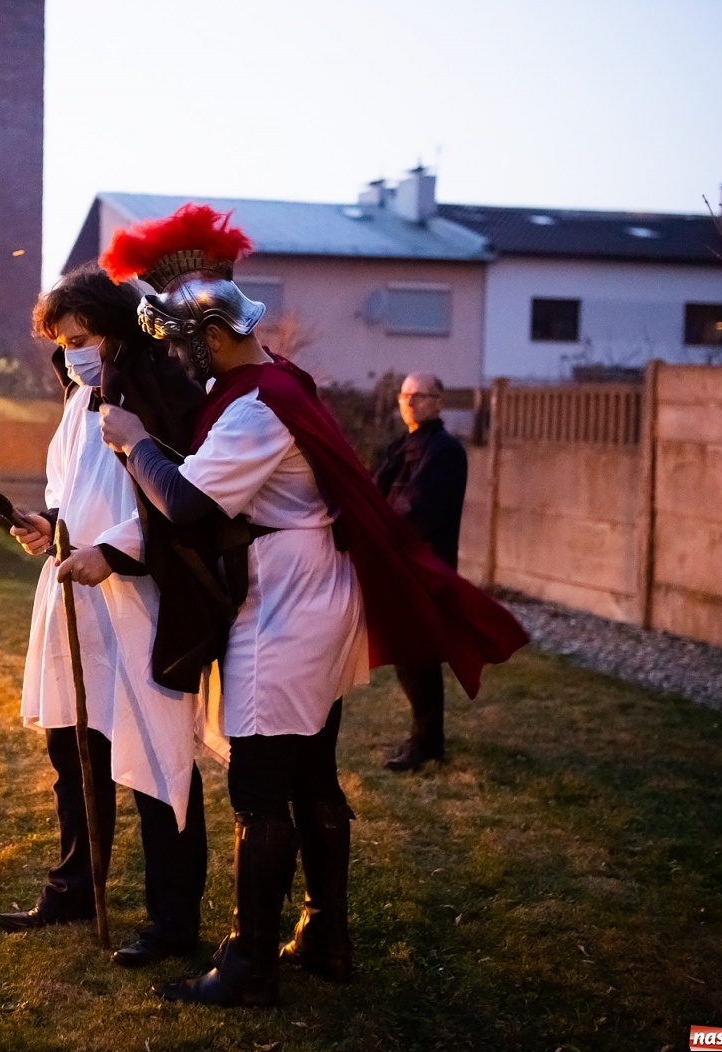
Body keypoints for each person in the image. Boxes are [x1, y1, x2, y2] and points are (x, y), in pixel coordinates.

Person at [93, 204, 527, 1006]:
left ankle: (249, 965)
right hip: (313, 593)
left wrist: (131, 440)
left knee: (261, 789)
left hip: (289, 606)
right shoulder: (278, 382)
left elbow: (188, 502)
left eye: (188, 347)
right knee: (311, 774)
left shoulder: (257, 403)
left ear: (213, 333)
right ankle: (326, 936)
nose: (186, 364)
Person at [0, 266, 211, 967]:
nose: (73, 352)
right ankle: (73, 888)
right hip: (75, 603)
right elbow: (75, 493)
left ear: (115, 330)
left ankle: (172, 923)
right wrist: (45, 525)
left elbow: (188, 506)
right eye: (63, 342)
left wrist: (115, 555)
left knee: (154, 756)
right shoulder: (78, 400)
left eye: (83, 338)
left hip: (138, 605)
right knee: (74, 752)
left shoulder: (160, 396)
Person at [375, 372, 469, 772]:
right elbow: (375, 490)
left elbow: (417, 509)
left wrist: (379, 531)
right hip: (400, 565)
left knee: (418, 655)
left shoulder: (444, 450)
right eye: (405, 395)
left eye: (420, 396)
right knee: (409, 654)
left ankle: (427, 742)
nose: (410, 402)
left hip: (424, 566)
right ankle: (426, 738)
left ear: (438, 402)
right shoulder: (403, 446)